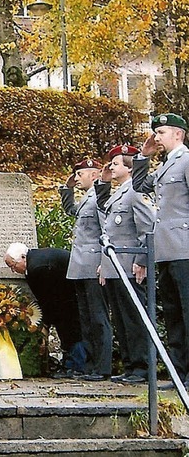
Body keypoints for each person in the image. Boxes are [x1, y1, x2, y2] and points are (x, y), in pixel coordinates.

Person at [132, 113, 189, 389]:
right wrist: (143, 156)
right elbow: (141, 186)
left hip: (185, 248)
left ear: (178, 134)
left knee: (187, 312)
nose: (157, 137)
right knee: (173, 313)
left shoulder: (186, 161)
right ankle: (180, 373)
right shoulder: (166, 166)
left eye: (162, 132)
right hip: (167, 250)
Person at [96, 144, 155, 384]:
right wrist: (104, 264)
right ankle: (131, 366)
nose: (111, 166)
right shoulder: (119, 192)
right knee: (121, 319)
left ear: (129, 168)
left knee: (134, 318)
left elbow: (147, 227)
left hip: (130, 266)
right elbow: (109, 229)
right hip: (115, 267)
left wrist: (142, 259)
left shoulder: (134, 192)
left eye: (116, 163)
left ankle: (140, 367)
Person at [59, 159, 112, 381]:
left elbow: (106, 230)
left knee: (98, 318)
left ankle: (102, 366)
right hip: (80, 265)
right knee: (86, 319)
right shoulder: (85, 198)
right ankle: (90, 366)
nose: (77, 177)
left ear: (94, 175)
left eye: (80, 174)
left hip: (94, 264)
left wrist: (105, 263)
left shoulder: (100, 198)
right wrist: (67, 188)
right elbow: (71, 210)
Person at [4, 243, 87, 377]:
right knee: (67, 330)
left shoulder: (38, 268)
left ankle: (76, 367)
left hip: (70, 296)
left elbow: (49, 297)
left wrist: (46, 323)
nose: (13, 271)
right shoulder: (35, 262)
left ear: (23, 257)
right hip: (66, 296)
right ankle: (71, 365)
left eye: (13, 266)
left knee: (72, 331)